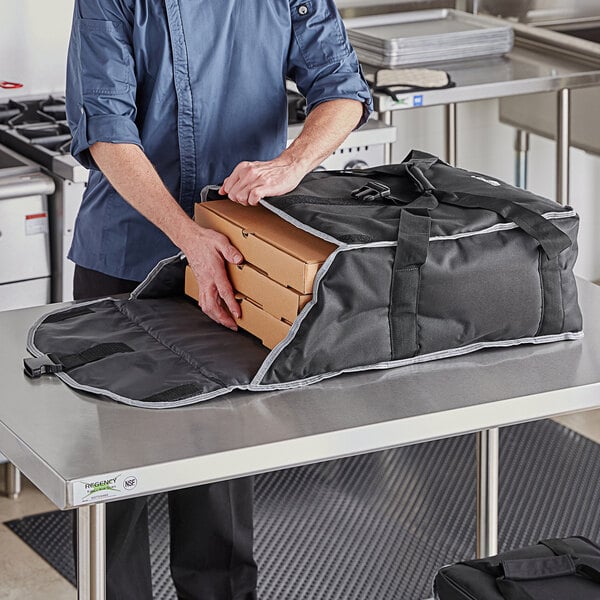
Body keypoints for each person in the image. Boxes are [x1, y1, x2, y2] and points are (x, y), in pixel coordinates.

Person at [65, 1, 372, 598]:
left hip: (239, 258)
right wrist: (188, 237)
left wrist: (291, 165)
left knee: (218, 473)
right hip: (125, 255)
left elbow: (342, 90)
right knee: (113, 479)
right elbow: (106, 129)